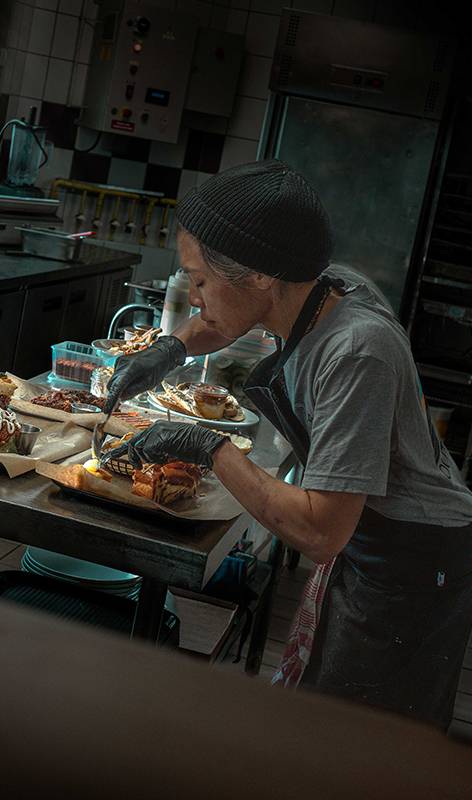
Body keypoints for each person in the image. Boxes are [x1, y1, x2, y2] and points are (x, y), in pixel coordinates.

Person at [102, 160, 472, 730]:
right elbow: (225, 321)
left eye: (199, 281)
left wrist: (206, 447)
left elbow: (320, 533)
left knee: (360, 742)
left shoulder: (356, 352)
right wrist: (169, 349)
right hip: (369, 535)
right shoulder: (318, 286)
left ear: (259, 277)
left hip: (413, 562)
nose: (193, 296)